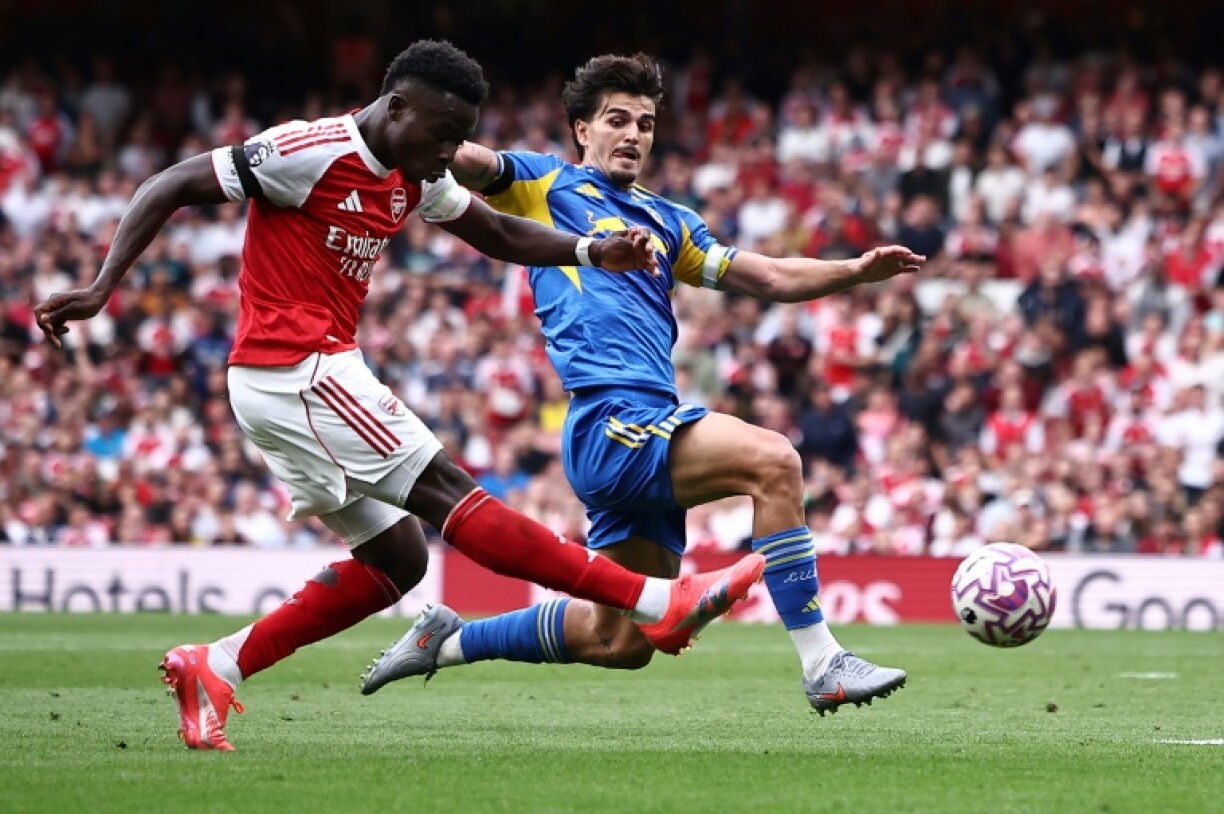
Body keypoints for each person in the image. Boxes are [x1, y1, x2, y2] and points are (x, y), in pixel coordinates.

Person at [33, 41, 766, 751]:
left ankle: (217, 666)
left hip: (299, 379)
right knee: (450, 491)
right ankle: (653, 602)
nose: (451, 153)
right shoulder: (307, 151)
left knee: (399, 559)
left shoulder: (415, 170)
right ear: (396, 106)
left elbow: (497, 230)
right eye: (443, 134)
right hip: (296, 367)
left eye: (461, 140)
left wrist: (587, 249)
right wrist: (102, 287)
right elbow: (170, 183)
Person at [361, 54, 919, 714]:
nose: (633, 134)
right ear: (581, 130)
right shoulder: (545, 183)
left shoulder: (672, 220)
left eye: (646, 124)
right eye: (617, 120)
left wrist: (852, 272)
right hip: (609, 419)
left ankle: (447, 641)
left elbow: (764, 277)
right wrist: (380, 134)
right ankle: (823, 660)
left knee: (618, 640)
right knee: (775, 462)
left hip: (648, 419)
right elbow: (463, 156)